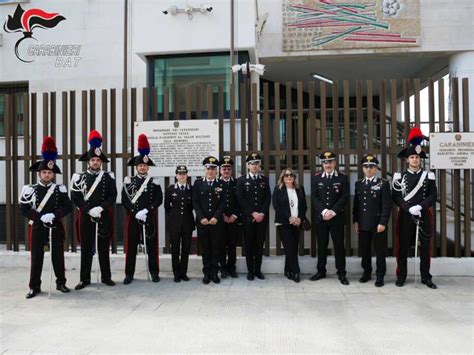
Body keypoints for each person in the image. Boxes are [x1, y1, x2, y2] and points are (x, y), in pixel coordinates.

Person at [19, 137, 72, 299]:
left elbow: (68, 207)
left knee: (58, 257)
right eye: (44, 172)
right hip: (37, 227)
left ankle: (61, 282)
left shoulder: (60, 189)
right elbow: (23, 208)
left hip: (55, 226)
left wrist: (55, 215)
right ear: (39, 173)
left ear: (53, 174)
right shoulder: (30, 189)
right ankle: (34, 286)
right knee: (36, 258)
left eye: (50, 172)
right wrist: (40, 217)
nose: (47, 175)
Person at [71, 130, 117, 290]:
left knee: (104, 247)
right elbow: (75, 197)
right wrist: (89, 210)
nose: (95, 162)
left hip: (103, 215)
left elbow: (113, 195)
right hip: (86, 216)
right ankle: (84, 279)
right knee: (86, 247)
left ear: (101, 162)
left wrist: (101, 208)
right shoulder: (78, 177)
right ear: (88, 161)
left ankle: (106, 277)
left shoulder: (108, 177)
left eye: (98, 160)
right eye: (93, 160)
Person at [392, 127, 437, 289]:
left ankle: (426, 277)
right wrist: (408, 207)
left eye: (417, 157)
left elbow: (433, 196)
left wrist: (420, 206)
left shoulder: (428, 176)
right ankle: (401, 276)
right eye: (412, 157)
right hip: (405, 215)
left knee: (425, 248)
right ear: (407, 160)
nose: (415, 160)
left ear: (420, 159)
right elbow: (396, 196)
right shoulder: (399, 177)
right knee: (403, 247)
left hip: (424, 214)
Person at [122, 134, 162, 284]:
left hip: (149, 216)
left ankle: (154, 272)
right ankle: (129, 274)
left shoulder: (154, 182)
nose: (142, 167)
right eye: (140, 166)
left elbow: (159, 199)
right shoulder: (129, 181)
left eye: (145, 165)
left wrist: (147, 210)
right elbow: (125, 199)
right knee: (131, 246)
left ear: (148, 167)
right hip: (133, 218)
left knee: (152, 246)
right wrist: (135, 212)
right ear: (136, 167)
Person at [310, 151, 350, 285]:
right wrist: (324, 211)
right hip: (321, 218)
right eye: (325, 162)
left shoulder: (342, 178)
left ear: (334, 163)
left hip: (337, 218)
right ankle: (321, 271)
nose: (327, 164)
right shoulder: (316, 178)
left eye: (330, 162)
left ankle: (342, 273)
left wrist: (333, 211)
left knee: (339, 246)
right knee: (321, 246)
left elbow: (345, 196)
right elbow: (314, 197)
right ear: (322, 164)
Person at [352, 154, 391, 287]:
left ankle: (380, 275)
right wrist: (355, 221)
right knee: (365, 250)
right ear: (362, 168)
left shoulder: (383, 184)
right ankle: (366, 272)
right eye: (366, 166)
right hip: (363, 223)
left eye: (372, 167)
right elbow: (356, 205)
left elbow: (387, 205)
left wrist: (383, 223)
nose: (369, 169)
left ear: (376, 168)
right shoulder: (359, 184)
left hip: (377, 224)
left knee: (380, 251)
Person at [236, 152, 271, 281]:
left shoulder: (264, 180)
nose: (254, 166)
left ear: (259, 166)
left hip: (261, 218)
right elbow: (241, 199)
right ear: (248, 166)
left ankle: (258, 270)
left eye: (256, 164)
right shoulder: (241, 180)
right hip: (248, 218)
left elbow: (267, 198)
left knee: (259, 244)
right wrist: (253, 213)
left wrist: (261, 213)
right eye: (252, 164)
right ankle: (250, 271)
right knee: (249, 245)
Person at [193, 156, 225, 284]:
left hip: (216, 223)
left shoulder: (221, 184)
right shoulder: (198, 183)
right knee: (205, 249)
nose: (210, 171)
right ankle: (206, 274)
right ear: (204, 170)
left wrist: (216, 217)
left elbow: (223, 203)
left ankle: (214, 273)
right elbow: (195, 202)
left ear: (216, 171)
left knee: (216, 248)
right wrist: (201, 218)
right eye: (208, 169)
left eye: (213, 169)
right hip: (203, 223)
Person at [272, 168, 307, 283]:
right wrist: (289, 217)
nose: (289, 177)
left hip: (297, 223)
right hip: (284, 223)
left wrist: (299, 218)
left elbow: (304, 206)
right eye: (286, 175)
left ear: (294, 177)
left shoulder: (300, 189)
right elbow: (277, 206)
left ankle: (288, 270)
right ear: (282, 177)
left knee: (292, 248)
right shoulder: (278, 189)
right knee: (290, 247)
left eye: (291, 175)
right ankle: (296, 271)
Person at [164, 165, 195, 282]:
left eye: (184, 174)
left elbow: (193, 205)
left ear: (187, 175)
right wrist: (174, 217)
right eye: (180, 174)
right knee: (175, 250)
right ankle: (176, 274)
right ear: (176, 176)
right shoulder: (170, 189)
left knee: (186, 249)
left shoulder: (191, 189)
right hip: (174, 224)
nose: (182, 176)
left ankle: (184, 273)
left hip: (188, 223)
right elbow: (167, 206)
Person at [218, 156, 240, 279]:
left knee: (232, 245)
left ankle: (232, 268)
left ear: (231, 170)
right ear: (220, 170)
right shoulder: (216, 183)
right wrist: (222, 216)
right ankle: (223, 268)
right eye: (224, 169)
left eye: (228, 169)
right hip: (220, 220)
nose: (226, 171)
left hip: (233, 219)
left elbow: (240, 201)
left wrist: (234, 215)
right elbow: (215, 202)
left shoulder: (237, 183)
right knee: (221, 245)